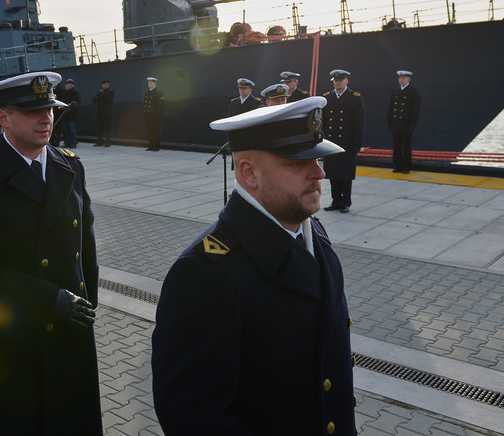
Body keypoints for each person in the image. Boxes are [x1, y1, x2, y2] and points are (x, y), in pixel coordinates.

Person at [152, 98, 356, 436]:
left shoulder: (310, 230)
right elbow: (194, 419)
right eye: (297, 162)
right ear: (249, 173)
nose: (319, 171)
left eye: (317, 157)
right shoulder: (204, 275)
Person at [0, 71, 102, 436]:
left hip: (68, 334)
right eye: (32, 111)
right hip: (10, 342)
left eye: (49, 108)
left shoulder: (70, 167)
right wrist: (47, 299)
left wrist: (86, 304)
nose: (46, 118)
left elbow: (86, 250)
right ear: (2, 118)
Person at [321, 69, 366, 213]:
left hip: (347, 142)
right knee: (333, 173)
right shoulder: (328, 97)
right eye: (335, 81)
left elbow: (359, 123)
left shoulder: (355, 97)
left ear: (346, 81)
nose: (337, 83)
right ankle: (335, 201)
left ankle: (345, 202)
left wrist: (357, 144)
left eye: (340, 80)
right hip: (332, 142)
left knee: (345, 174)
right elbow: (323, 121)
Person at [387, 70, 420, 173]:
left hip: (406, 124)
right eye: (400, 78)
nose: (401, 80)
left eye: (403, 78)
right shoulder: (394, 90)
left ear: (408, 80)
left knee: (406, 147)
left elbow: (415, 110)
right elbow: (391, 107)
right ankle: (397, 166)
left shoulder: (413, 92)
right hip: (395, 123)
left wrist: (412, 124)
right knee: (396, 146)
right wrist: (388, 121)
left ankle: (406, 167)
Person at [144, 76, 165, 151]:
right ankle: (151, 146)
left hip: (155, 117)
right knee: (150, 131)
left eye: (151, 83)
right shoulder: (147, 92)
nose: (149, 84)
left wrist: (159, 116)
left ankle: (156, 146)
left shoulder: (159, 92)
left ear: (155, 84)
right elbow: (145, 105)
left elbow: (161, 105)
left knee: (156, 132)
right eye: (148, 83)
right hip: (148, 116)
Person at [92, 78, 114, 147]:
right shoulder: (99, 92)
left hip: (107, 113)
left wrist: (103, 94)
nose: (104, 86)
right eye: (103, 84)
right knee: (100, 129)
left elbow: (110, 100)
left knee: (107, 129)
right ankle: (99, 142)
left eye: (106, 84)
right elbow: (94, 100)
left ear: (108, 85)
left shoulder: (111, 92)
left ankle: (108, 142)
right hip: (100, 113)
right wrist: (98, 96)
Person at [60, 78, 80, 148]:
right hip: (65, 114)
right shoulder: (64, 93)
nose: (66, 86)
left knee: (72, 130)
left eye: (67, 84)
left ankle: (73, 143)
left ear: (71, 85)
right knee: (66, 130)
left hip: (71, 114)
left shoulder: (75, 93)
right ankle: (67, 142)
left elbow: (77, 103)